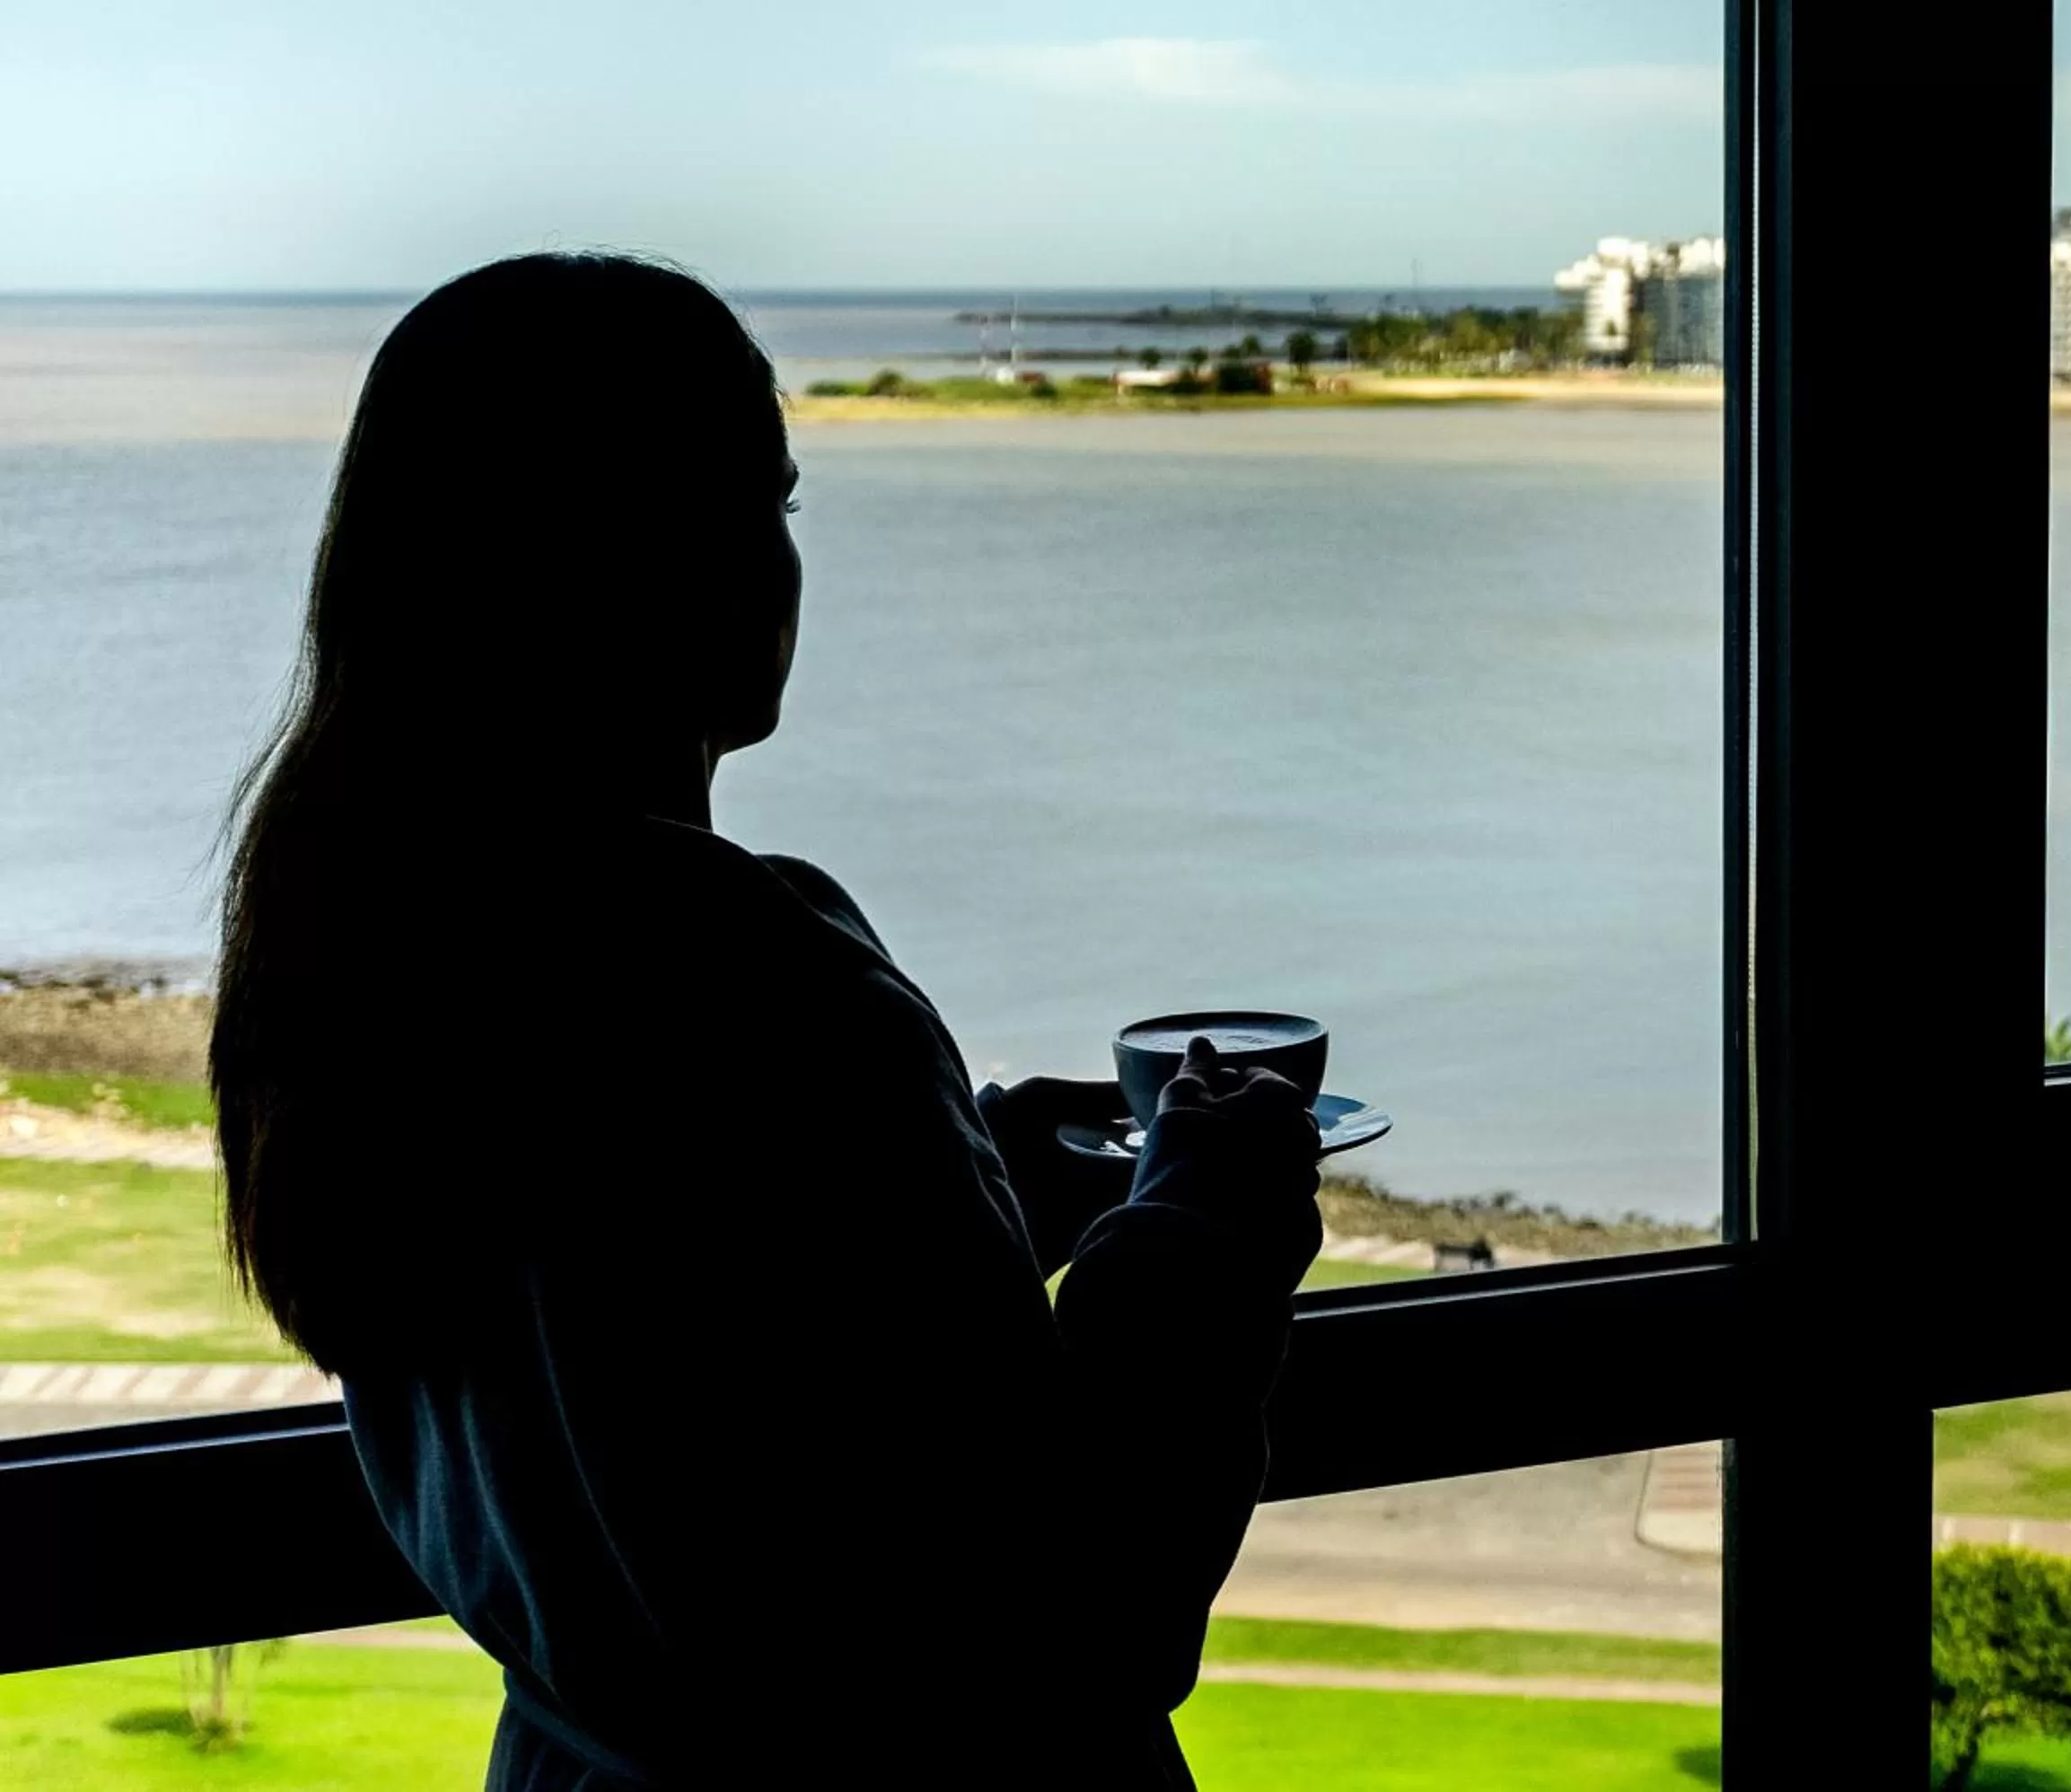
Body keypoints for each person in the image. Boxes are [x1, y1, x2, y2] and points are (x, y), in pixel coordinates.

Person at [208, 251, 1323, 1788]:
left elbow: (694, 1360)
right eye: (766, 503)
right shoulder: (752, 984)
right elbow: (1065, 1620)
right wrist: (1208, 1227)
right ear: (656, 563)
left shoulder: (370, 966)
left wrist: (983, 1180)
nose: (786, 562)